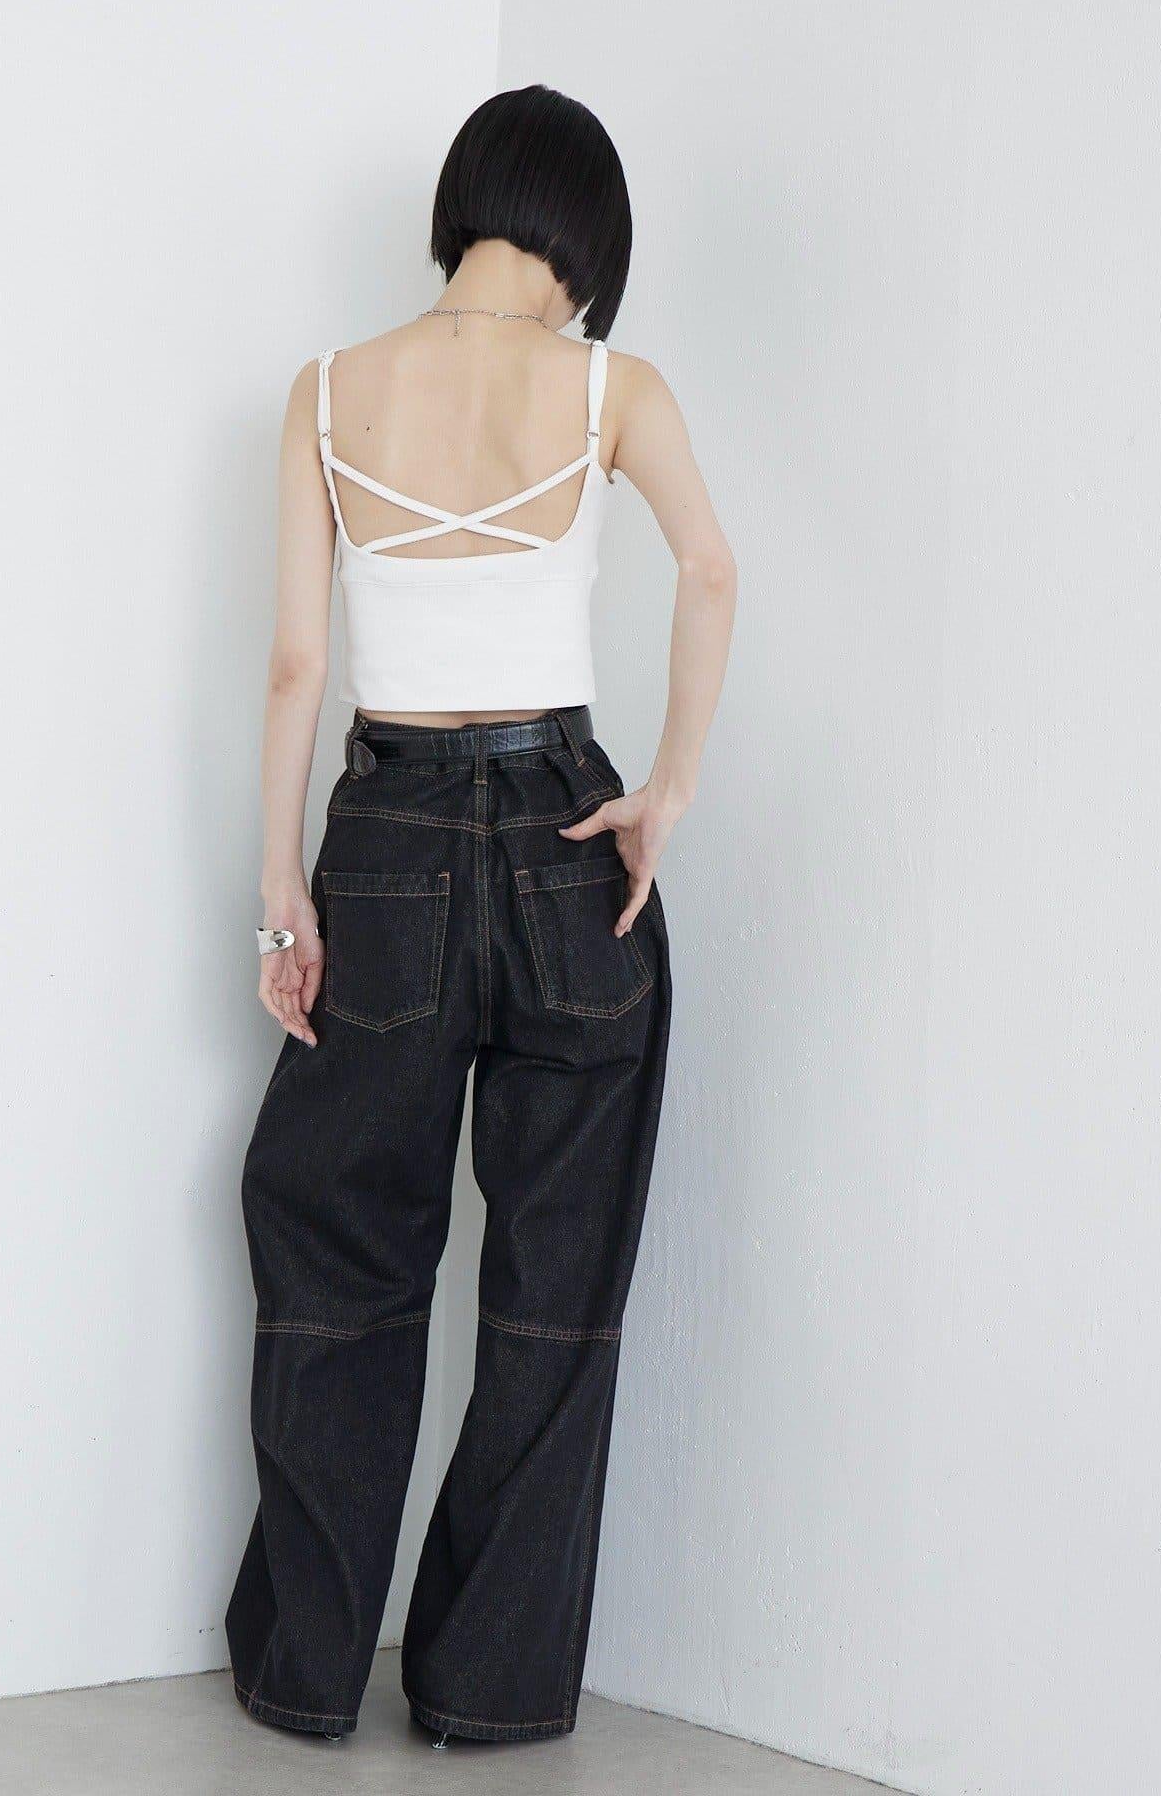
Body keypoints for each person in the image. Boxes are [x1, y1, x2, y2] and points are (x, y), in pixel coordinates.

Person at [225, 84, 737, 1747]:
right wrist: (664, 792)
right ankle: (487, 1691)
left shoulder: (326, 391)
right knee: (553, 1289)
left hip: (380, 838)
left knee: (336, 1257)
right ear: (584, 234)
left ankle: (306, 1675)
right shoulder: (609, 387)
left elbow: (298, 664)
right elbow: (711, 570)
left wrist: (283, 891)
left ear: (465, 202)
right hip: (566, 835)